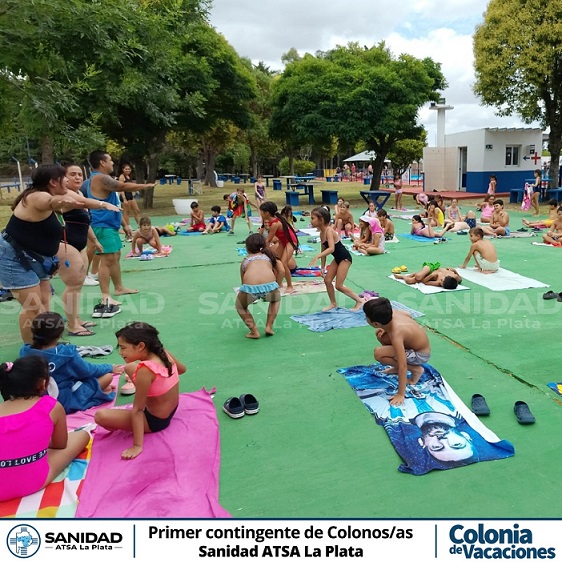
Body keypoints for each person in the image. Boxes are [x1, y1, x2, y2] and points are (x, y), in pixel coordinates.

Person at [0, 164, 105, 343]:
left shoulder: (56, 194)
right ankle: (31, 350)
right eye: (66, 176)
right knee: (33, 308)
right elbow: (50, 202)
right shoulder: (38, 196)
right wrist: (62, 202)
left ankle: (46, 343)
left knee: (45, 300)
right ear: (53, 182)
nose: (70, 179)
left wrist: (103, 205)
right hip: (14, 257)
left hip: (34, 255)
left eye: (78, 174)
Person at [0, 356, 91, 501]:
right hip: (31, 482)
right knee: (82, 435)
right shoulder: (50, 406)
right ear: (43, 383)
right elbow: (60, 444)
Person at [94, 322, 186, 460]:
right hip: (171, 409)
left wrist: (137, 445)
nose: (120, 352)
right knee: (129, 367)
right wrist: (162, 381)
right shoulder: (163, 353)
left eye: (123, 348)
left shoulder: (145, 370)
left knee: (100, 416)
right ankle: (149, 386)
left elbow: (137, 410)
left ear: (141, 346)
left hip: (155, 421)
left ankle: (147, 387)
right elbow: (182, 370)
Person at [82, 150, 155, 313]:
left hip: (110, 225)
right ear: (102, 162)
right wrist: (145, 186)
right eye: (110, 160)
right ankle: (105, 296)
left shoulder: (100, 179)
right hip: (102, 225)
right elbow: (121, 186)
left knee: (115, 256)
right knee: (107, 260)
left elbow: (115, 205)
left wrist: (125, 224)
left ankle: (119, 287)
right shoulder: (99, 178)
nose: (113, 163)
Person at [59, 164, 120, 336]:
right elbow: (84, 204)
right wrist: (103, 204)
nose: (77, 177)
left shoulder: (79, 193)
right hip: (66, 245)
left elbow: (85, 222)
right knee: (72, 285)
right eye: (72, 174)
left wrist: (94, 241)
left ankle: (76, 319)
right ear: (64, 178)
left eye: (80, 174)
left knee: (78, 285)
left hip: (80, 246)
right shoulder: (65, 195)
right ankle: (72, 325)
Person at [19, 311, 120, 413]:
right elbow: (87, 371)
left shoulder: (25, 352)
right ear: (60, 334)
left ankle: (98, 390)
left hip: (36, 401)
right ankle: (97, 391)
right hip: (64, 401)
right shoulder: (66, 353)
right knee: (108, 377)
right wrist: (109, 367)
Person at [363, 297, 431, 406]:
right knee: (381, 335)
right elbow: (408, 314)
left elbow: (402, 365)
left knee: (379, 353)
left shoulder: (396, 333)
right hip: (414, 347)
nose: (365, 318)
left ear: (376, 323)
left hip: (420, 355)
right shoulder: (393, 313)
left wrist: (400, 394)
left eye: (366, 316)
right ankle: (398, 366)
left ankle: (416, 370)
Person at [309, 206, 364, 311]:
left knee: (339, 285)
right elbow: (323, 251)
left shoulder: (329, 231)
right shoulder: (321, 233)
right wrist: (322, 267)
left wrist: (317, 256)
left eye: (312, 218)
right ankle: (333, 303)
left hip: (345, 258)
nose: (310, 221)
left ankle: (360, 301)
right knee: (327, 280)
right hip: (338, 258)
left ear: (321, 220)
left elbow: (331, 248)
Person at [235, 234, 284, 339]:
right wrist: (277, 284)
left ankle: (254, 331)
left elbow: (243, 281)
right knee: (275, 300)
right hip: (270, 286)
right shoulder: (270, 257)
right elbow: (282, 271)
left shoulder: (245, 260)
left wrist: (249, 295)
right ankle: (269, 327)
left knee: (240, 306)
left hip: (250, 287)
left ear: (247, 248)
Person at [260, 201, 298, 293]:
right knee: (276, 261)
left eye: (261, 212)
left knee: (284, 264)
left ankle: (290, 286)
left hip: (291, 242)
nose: (260, 214)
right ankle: (279, 283)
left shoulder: (275, 224)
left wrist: (264, 252)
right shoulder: (273, 221)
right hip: (283, 242)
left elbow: (268, 240)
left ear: (267, 213)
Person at [412, 412, 476, 463]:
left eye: (436, 447)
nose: (442, 440)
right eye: (456, 444)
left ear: (421, 442)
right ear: (465, 436)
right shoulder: (458, 411)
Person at [394, 263, 461, 290]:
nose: (440, 283)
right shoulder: (455, 276)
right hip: (431, 267)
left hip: (429, 275)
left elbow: (424, 282)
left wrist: (431, 275)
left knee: (410, 281)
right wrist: (454, 270)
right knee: (418, 276)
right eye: (441, 280)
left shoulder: (438, 283)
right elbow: (460, 279)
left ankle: (403, 277)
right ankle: (414, 274)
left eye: (441, 284)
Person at [118, 163, 141, 237]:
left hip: (130, 196)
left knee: (137, 210)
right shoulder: (122, 176)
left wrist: (133, 193)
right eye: (126, 169)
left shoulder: (129, 176)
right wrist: (124, 199)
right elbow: (121, 188)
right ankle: (128, 227)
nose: (127, 170)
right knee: (126, 212)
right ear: (123, 169)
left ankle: (140, 225)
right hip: (125, 196)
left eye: (129, 169)